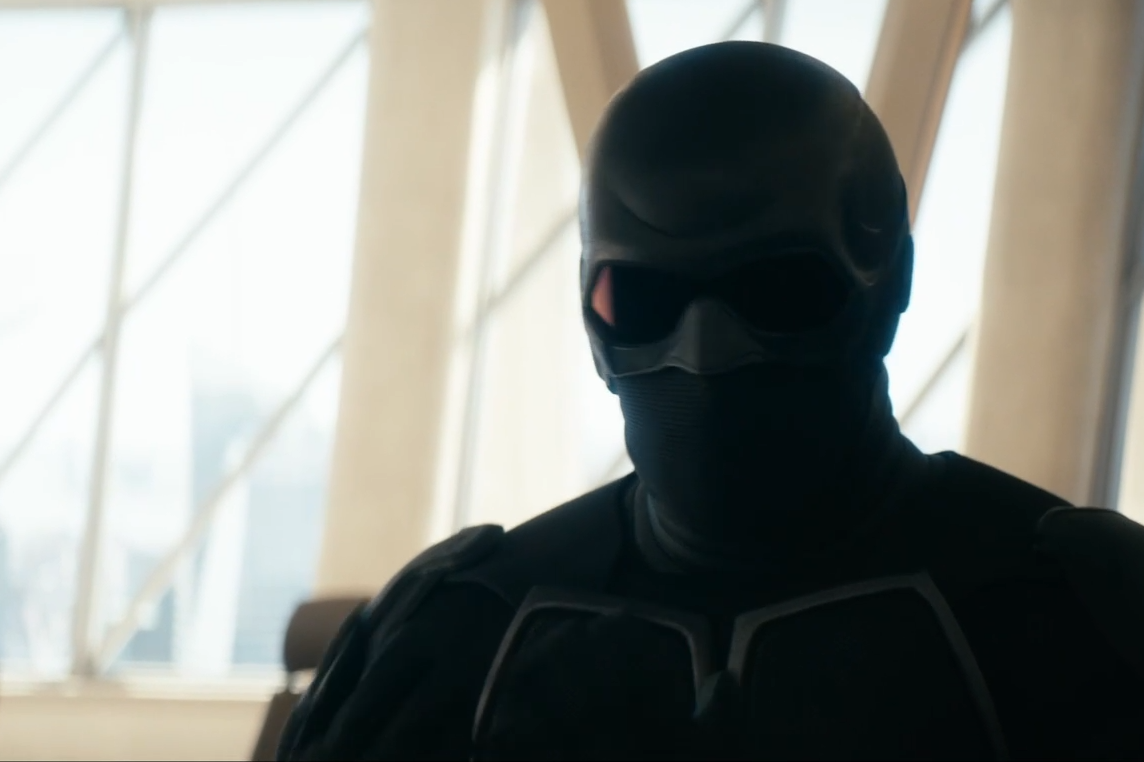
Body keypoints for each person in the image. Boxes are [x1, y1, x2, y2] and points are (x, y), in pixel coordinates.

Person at [279, 41, 1144, 761]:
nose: (704, 353)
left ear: (890, 281)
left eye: (775, 290)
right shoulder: (459, 632)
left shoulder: (1077, 618)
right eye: (645, 299)